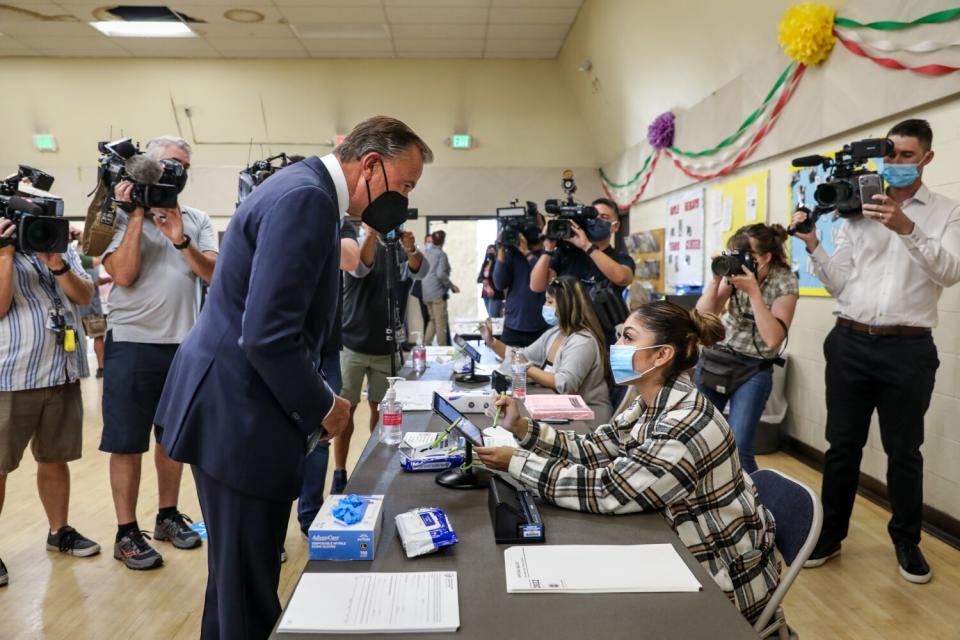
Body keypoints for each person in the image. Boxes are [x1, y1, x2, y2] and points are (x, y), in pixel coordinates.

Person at [153, 116, 431, 640]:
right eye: (406, 183)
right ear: (370, 164)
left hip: (238, 405)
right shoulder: (308, 199)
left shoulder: (304, 189)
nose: (405, 197)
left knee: (237, 584)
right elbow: (267, 336)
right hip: (239, 413)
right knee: (245, 595)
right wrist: (326, 405)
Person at [474, 301, 780, 624]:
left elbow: (608, 489)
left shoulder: (683, 424)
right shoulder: (652, 402)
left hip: (722, 586)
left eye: (628, 338)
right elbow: (594, 448)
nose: (616, 347)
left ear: (662, 355)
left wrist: (517, 463)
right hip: (680, 547)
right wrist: (522, 428)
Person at [793, 119, 960, 583]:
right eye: (890, 155)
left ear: (927, 158)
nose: (897, 163)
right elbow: (840, 281)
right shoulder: (857, 209)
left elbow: (950, 272)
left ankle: (907, 542)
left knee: (904, 450)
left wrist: (907, 228)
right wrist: (814, 248)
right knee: (842, 446)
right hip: (848, 341)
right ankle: (829, 536)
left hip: (908, 350)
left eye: (907, 156)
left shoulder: (947, 212)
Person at [100, 135, 217, 570]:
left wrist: (180, 238)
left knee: (173, 439)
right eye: (167, 163)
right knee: (127, 443)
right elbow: (124, 276)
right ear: (145, 165)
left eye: (183, 165)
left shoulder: (197, 218)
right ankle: (126, 532)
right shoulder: (114, 216)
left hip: (185, 345)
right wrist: (135, 218)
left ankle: (167, 515)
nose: (175, 171)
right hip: (132, 343)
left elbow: (214, 275)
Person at [0, 214, 100, 588]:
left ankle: (60, 531)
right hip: (10, 375)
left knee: (55, 458)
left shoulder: (58, 244)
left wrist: (56, 262)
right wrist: (5, 255)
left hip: (61, 371)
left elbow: (85, 296)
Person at [331, 224, 429, 494]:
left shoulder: (398, 251)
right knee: (345, 410)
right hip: (351, 343)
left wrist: (410, 247)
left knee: (383, 410)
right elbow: (361, 265)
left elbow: (421, 270)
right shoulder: (358, 246)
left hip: (386, 347)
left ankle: (375, 467)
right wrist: (373, 233)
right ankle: (339, 472)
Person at [694, 223, 798, 474]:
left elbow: (773, 339)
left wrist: (754, 293)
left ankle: (751, 507)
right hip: (718, 359)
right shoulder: (734, 275)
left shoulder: (785, 282)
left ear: (765, 258)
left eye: (744, 256)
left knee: (739, 448)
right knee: (697, 435)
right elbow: (702, 315)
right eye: (733, 255)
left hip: (753, 369)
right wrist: (717, 277)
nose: (738, 262)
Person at [296, 218, 360, 537]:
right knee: (279, 439)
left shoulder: (338, 221)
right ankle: (272, 531)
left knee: (321, 436)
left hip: (327, 348)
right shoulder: (279, 218)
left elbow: (349, 257)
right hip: (286, 345)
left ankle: (310, 517)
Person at [481, 276, 613, 424]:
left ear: (566, 305)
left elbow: (565, 384)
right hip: (561, 410)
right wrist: (492, 342)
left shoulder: (583, 341)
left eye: (549, 302)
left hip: (586, 420)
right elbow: (521, 355)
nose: (544, 306)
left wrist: (525, 368)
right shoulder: (555, 333)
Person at [530, 197, 635, 343]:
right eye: (592, 216)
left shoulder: (620, 258)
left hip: (603, 337)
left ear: (615, 226)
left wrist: (587, 246)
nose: (596, 220)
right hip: (567, 334)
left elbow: (622, 278)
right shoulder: (565, 254)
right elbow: (536, 285)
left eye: (604, 217)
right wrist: (548, 249)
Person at [491, 225, 548, 348]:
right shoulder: (512, 254)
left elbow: (546, 277)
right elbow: (499, 284)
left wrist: (527, 253)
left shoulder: (547, 254)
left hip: (540, 326)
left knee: (538, 367)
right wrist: (501, 250)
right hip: (513, 325)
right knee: (507, 364)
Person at [421, 229, 459, 345]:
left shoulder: (425, 252)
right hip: (437, 293)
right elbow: (440, 274)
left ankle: (425, 346)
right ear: (443, 241)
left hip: (426, 293)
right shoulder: (441, 255)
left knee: (432, 320)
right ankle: (443, 350)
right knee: (441, 323)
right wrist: (452, 286)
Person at [478, 244, 504, 318]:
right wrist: (483, 281)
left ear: (496, 252)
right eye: (489, 251)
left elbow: (496, 276)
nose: (490, 253)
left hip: (495, 294)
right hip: (486, 293)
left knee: (493, 318)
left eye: (492, 251)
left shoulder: (498, 264)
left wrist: (492, 263)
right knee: (490, 316)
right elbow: (479, 278)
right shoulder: (485, 264)